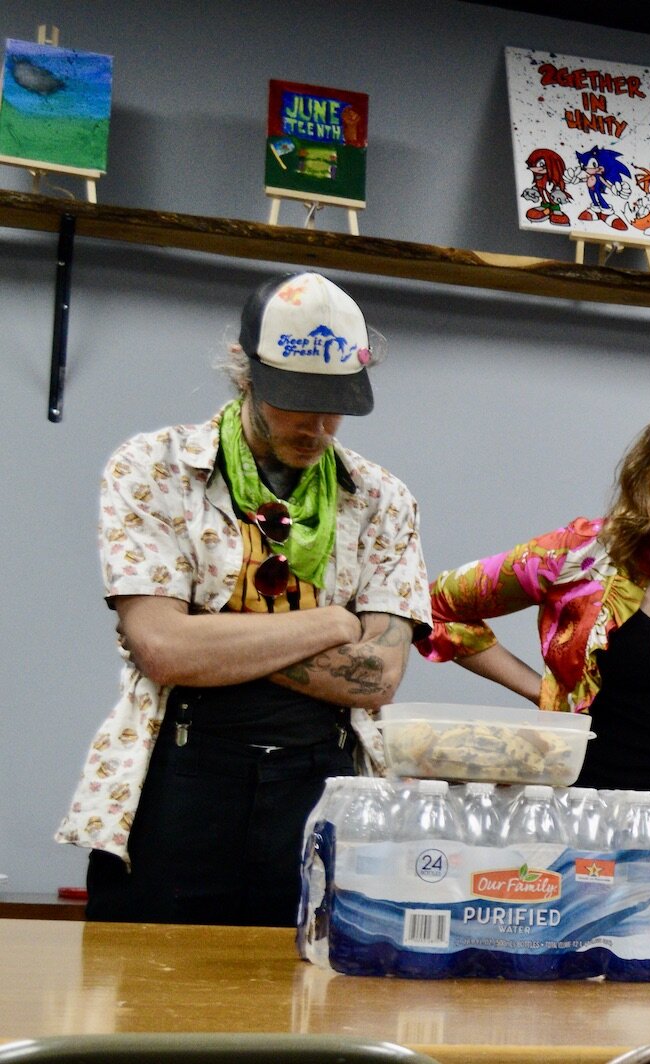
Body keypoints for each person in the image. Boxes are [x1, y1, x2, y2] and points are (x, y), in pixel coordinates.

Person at [57, 272, 431, 926]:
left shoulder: (381, 500)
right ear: (244, 372)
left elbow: (379, 675)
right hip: (180, 772)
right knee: (142, 1005)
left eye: (334, 403)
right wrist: (332, 622)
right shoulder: (154, 468)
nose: (316, 425)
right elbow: (164, 650)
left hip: (321, 781)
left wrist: (214, 639)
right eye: (296, 400)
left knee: (303, 1010)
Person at [418, 393, 650, 940]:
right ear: (648, 464)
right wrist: (545, 694)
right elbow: (435, 604)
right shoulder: (583, 554)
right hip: (579, 841)